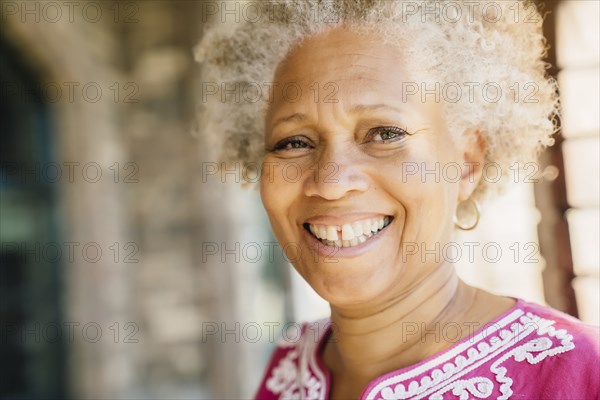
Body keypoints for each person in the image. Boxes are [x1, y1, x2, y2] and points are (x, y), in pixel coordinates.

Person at [194, 1, 600, 398]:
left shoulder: (579, 374)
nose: (332, 182)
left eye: (385, 133)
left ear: (466, 162)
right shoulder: (291, 365)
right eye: (294, 142)